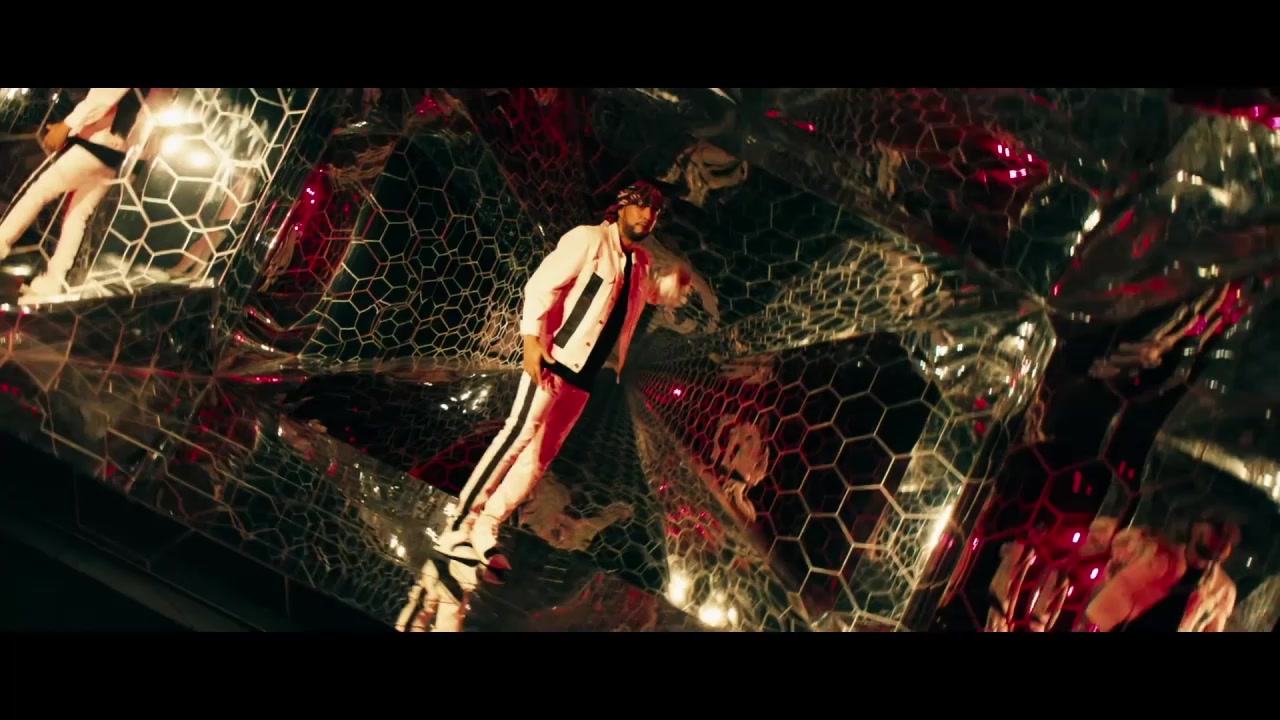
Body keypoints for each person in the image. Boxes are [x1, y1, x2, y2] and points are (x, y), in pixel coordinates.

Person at [433, 181, 692, 594]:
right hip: (554, 359)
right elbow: (541, 285)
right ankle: (458, 526)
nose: (648, 215)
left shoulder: (639, 261)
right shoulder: (589, 240)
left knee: (538, 459)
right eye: (642, 205)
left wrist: (674, 283)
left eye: (655, 211)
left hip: (585, 377)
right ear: (623, 206)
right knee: (516, 437)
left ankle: (486, 527)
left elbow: (648, 294)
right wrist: (531, 340)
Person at [0, 88, 167, 298]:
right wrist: (137, 164)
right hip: (118, 155)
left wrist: (67, 125)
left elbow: (103, 97)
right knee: (77, 216)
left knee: (39, 192)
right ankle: (53, 282)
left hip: (98, 143)